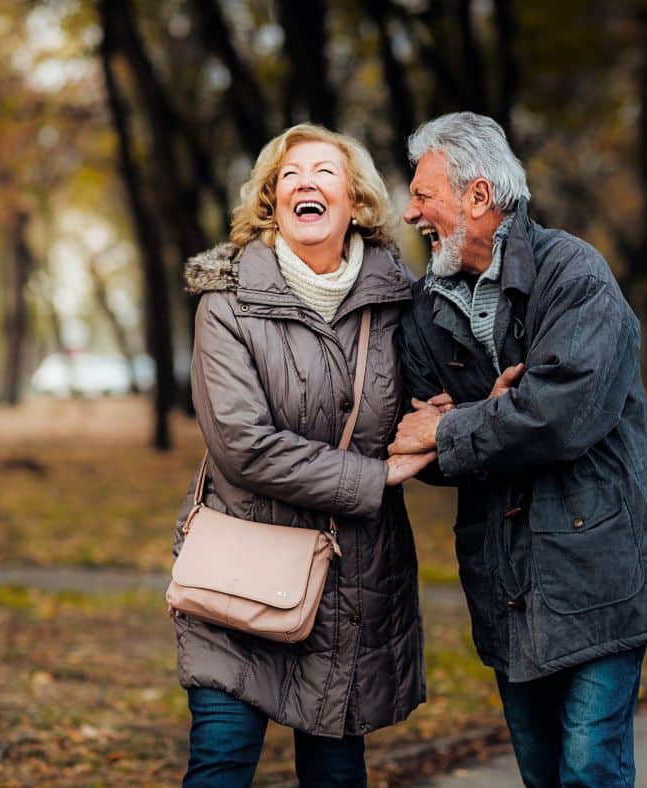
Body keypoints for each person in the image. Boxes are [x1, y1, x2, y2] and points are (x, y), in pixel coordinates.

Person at [389, 112, 647, 787]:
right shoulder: (425, 310)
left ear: (477, 197)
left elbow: (563, 414)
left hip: (600, 572)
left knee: (588, 769)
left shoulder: (573, 274)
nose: (410, 212)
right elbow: (419, 447)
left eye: (422, 193)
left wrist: (458, 423)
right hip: (507, 583)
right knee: (542, 771)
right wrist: (487, 420)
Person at [173, 123, 430, 787]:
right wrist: (373, 476)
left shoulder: (399, 303)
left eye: (323, 172)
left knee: (336, 775)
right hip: (241, 578)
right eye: (289, 175)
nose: (304, 183)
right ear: (271, 201)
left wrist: (470, 411)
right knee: (221, 766)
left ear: (357, 202)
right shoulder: (225, 299)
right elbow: (243, 448)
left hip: (351, 586)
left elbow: (431, 407)